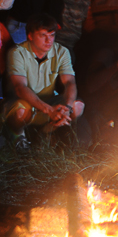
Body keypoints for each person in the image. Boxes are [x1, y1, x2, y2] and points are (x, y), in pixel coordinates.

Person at [4, 13, 84, 151]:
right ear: (30, 36)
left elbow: (70, 82)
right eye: (43, 35)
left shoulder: (61, 51)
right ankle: (18, 137)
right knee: (21, 111)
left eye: (52, 35)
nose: (49, 40)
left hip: (49, 102)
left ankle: (46, 134)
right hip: (26, 102)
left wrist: (67, 108)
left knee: (78, 105)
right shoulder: (17, 52)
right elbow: (20, 87)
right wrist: (49, 110)